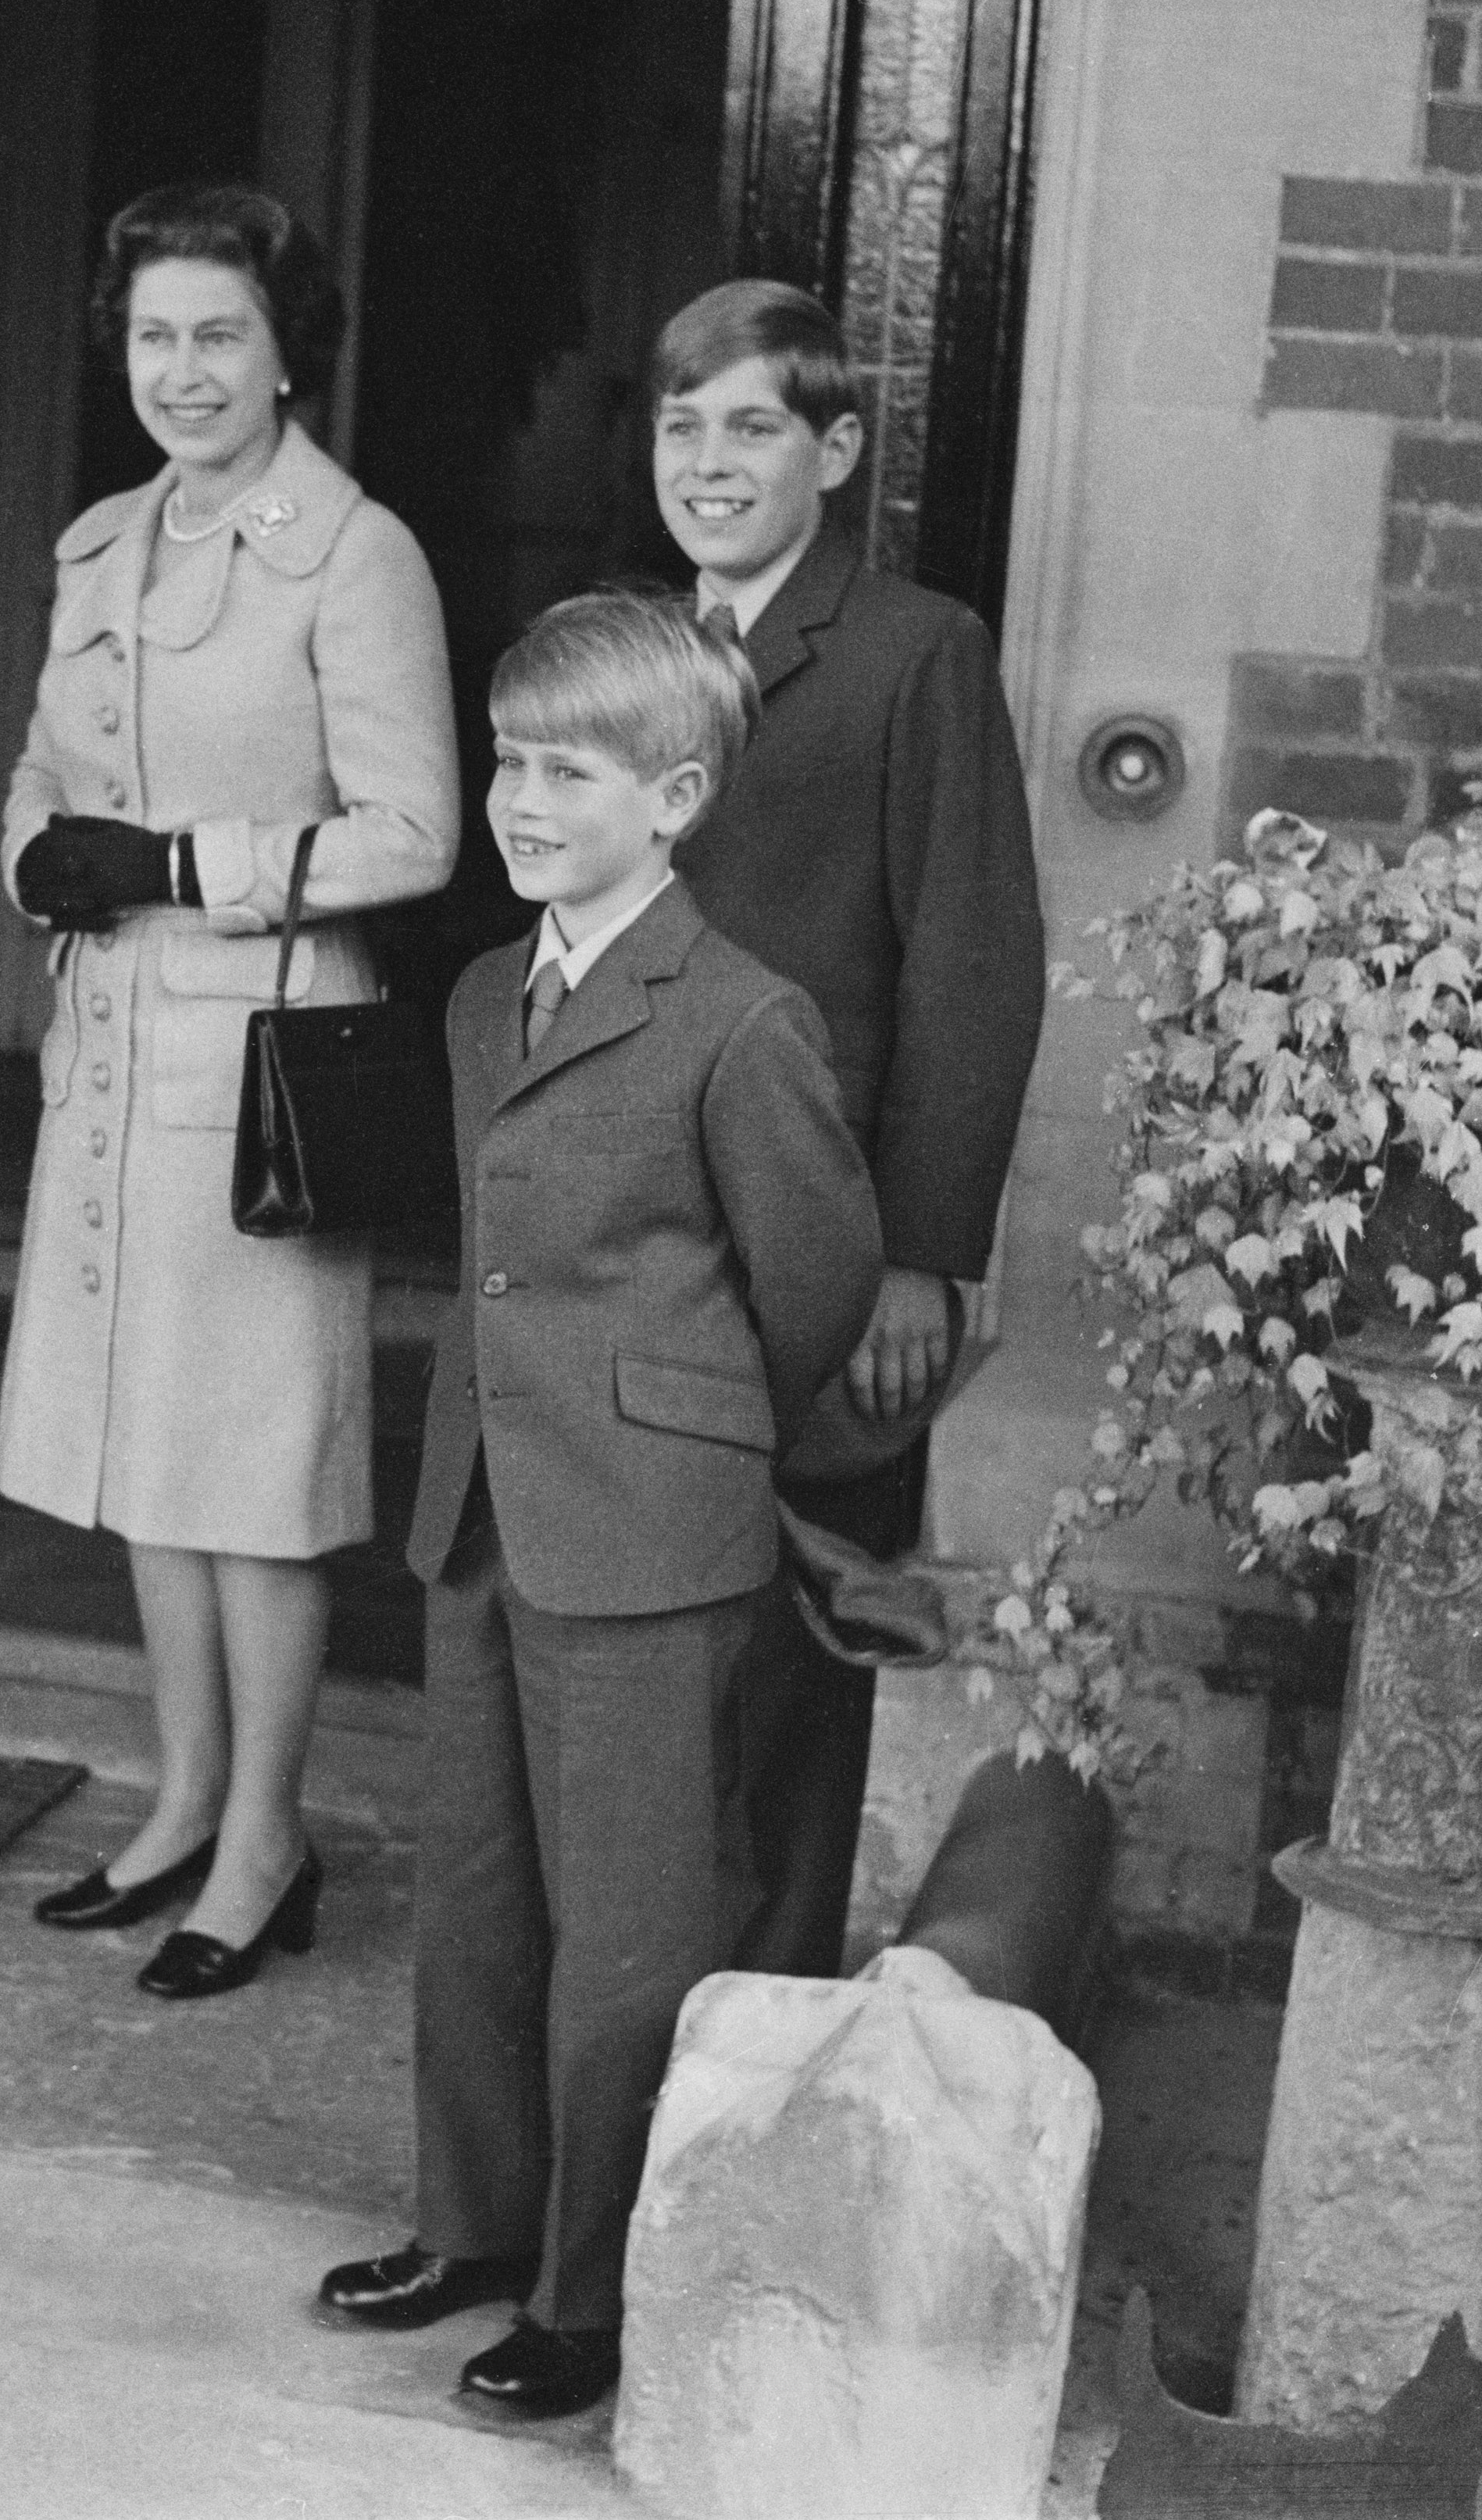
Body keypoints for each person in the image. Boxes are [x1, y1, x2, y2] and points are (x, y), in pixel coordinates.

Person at [318, 592, 882, 2416]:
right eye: (505, 758)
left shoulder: (740, 1020)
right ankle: (476, 2218)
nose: (518, 797)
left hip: (644, 1527)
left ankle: (593, 2283)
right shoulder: (494, 993)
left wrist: (691, 1437)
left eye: (568, 769)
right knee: (476, 1894)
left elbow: (819, 1283)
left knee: (630, 1930)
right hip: (484, 1501)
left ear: (680, 794)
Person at [0, 183, 456, 1997]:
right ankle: (184, 1797)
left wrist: (181, 868)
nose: (183, 373)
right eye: (154, 338)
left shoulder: (353, 554)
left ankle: (270, 1834)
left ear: (288, 355)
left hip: (262, 1054)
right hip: (111, 1048)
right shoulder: (104, 542)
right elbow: (46, 767)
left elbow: (417, 834)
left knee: (255, 1467)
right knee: (144, 1448)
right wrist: (39, 854)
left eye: (219, 337)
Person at [650, 280, 1046, 1977]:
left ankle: (758, 2036)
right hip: (641, 1245)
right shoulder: (633, 646)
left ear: (837, 448)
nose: (711, 463)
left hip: (819, 1260)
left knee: (786, 1685)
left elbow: (972, 967)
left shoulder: (912, 650)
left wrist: (917, 1263)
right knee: (648, 1680)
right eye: (681, 427)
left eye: (752, 428)